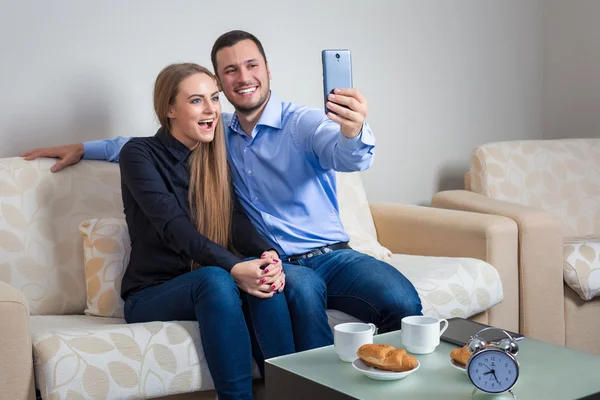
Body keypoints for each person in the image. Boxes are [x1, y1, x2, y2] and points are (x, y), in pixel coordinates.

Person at [22, 30, 422, 351]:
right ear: (221, 82)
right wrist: (83, 147)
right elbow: (148, 142)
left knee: (403, 303)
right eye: (229, 71)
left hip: (332, 255)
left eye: (251, 65)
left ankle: (387, 379)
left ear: (268, 69)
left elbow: (346, 155)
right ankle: (314, 388)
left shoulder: (303, 123)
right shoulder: (216, 135)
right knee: (297, 292)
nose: (243, 77)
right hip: (275, 259)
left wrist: (352, 131)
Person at [111, 62, 295, 400]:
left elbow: (236, 220)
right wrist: (234, 266)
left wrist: (268, 254)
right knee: (216, 278)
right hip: (151, 293)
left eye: (214, 98)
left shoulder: (213, 159)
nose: (211, 109)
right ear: (169, 109)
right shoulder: (139, 154)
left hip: (210, 281)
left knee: (263, 275)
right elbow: (173, 228)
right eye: (197, 100)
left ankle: (288, 391)